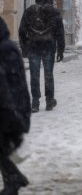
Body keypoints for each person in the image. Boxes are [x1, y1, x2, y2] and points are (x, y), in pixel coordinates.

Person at [18, 0, 65, 113]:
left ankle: (35, 102)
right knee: (48, 75)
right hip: (49, 47)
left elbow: (22, 30)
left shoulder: (29, 11)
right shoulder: (54, 12)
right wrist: (61, 50)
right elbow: (60, 32)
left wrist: (24, 48)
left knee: (34, 76)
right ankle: (49, 100)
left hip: (34, 47)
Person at [0, 17, 31, 195]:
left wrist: (14, 114)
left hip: (11, 108)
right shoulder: (7, 48)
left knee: (4, 143)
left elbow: (9, 86)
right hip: (10, 106)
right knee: (3, 145)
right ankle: (13, 177)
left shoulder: (6, 50)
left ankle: (13, 179)